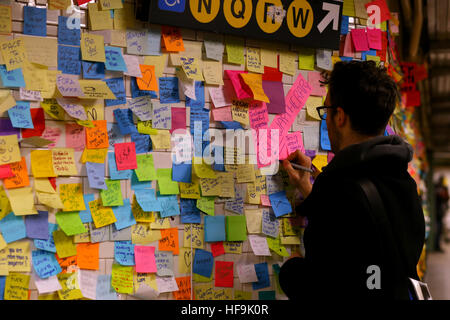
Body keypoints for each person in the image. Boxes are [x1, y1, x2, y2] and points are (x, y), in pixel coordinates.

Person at [279, 61, 425, 300]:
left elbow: (325, 287)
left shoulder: (339, 189)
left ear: (340, 117)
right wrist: (309, 187)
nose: (325, 119)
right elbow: (368, 252)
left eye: (326, 111)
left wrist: (291, 270)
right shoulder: (403, 182)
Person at [434, 176, 449, 251]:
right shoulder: (438, 187)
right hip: (437, 212)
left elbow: (446, 198)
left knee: (439, 230)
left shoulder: (441, 188)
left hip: (439, 212)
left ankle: (437, 245)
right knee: (438, 230)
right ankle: (436, 246)